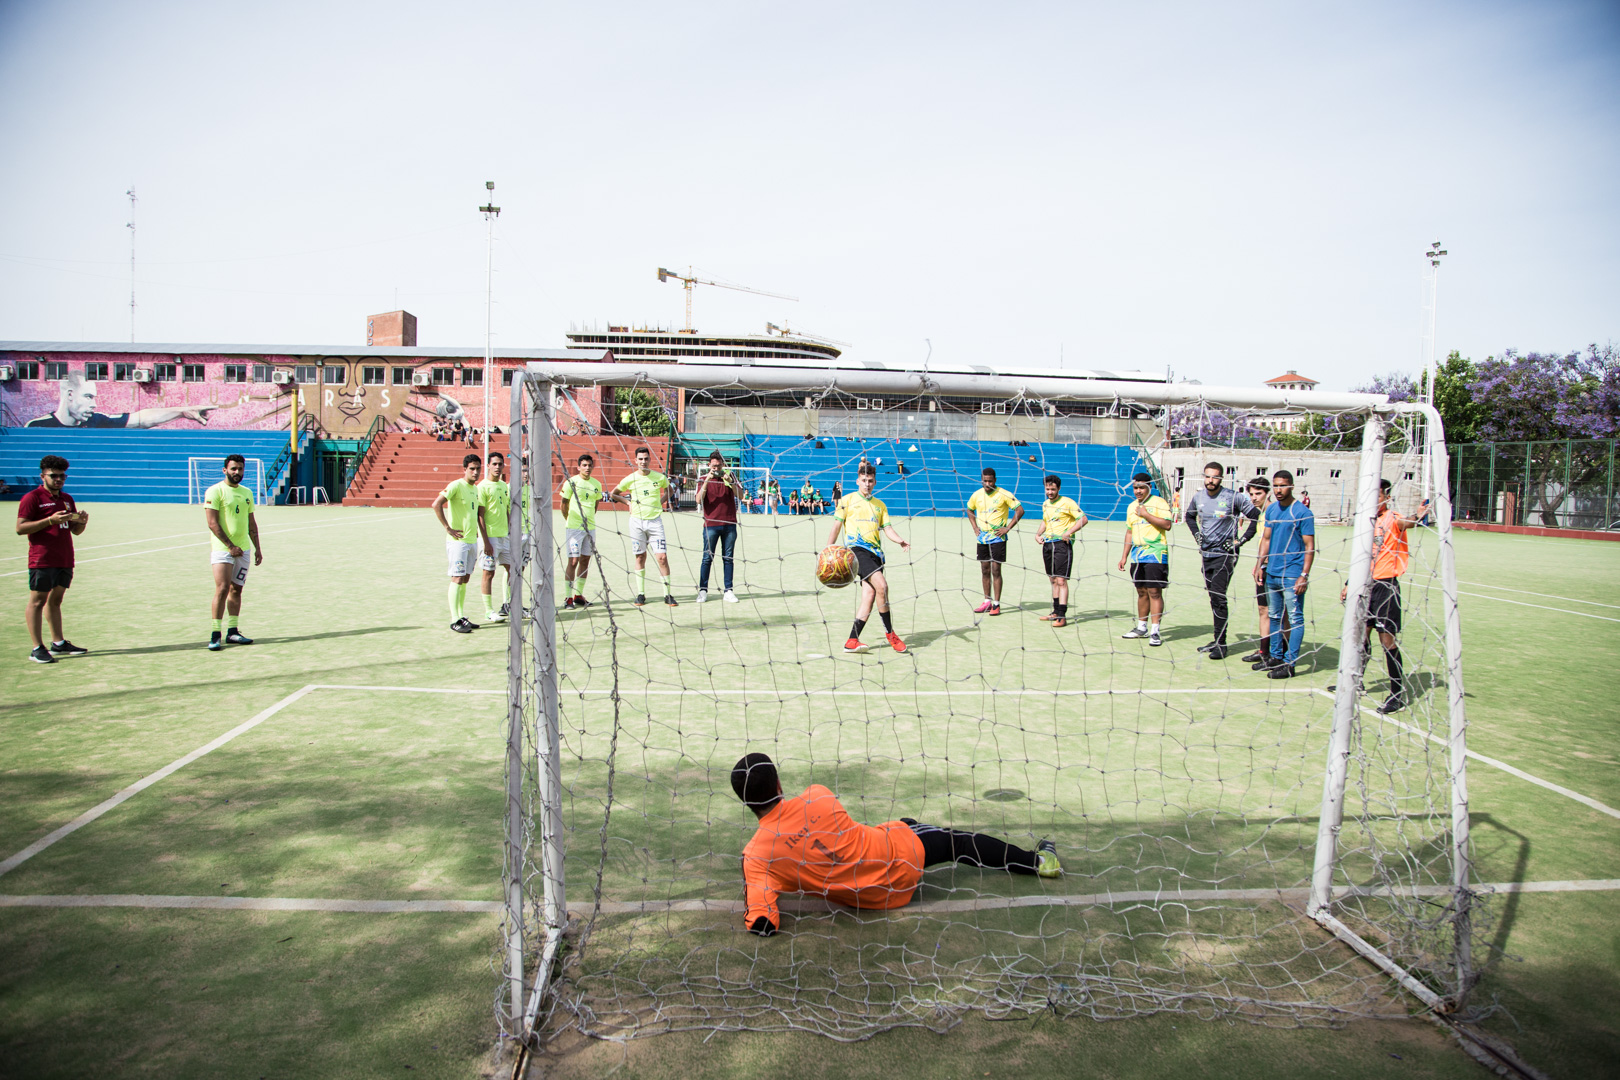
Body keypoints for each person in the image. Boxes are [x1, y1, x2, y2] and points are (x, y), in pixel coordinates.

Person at [731, 752, 1062, 937]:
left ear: (745, 803)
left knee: (903, 824)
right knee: (955, 842)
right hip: (902, 857)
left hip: (875, 900)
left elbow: (762, 920)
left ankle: (908, 827)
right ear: (778, 782)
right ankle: (1039, 862)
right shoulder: (818, 795)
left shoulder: (756, 856)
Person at [1340, 481, 1430, 714]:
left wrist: (1418, 516)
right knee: (1361, 637)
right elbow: (1363, 557)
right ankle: (1356, 681)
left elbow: (1406, 522)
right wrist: (1349, 583)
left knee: (1387, 642)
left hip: (1385, 587)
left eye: (1377, 495)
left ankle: (1397, 694)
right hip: (1364, 585)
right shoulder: (1367, 522)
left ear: (1386, 497)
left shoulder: (1392, 518)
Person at [828, 461, 909, 653]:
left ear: (875, 482)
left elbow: (887, 528)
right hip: (856, 551)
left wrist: (900, 540)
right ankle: (891, 634)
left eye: (870, 481)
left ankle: (852, 640)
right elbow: (837, 526)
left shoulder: (880, 505)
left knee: (870, 595)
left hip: (876, 556)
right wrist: (829, 548)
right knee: (882, 586)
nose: (867, 484)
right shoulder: (846, 500)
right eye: (864, 480)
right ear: (857, 481)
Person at [16, 454, 89, 663]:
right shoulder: (33, 498)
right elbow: (20, 528)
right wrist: (50, 520)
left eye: (62, 476)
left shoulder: (66, 499)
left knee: (56, 601)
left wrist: (82, 522)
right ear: (43, 476)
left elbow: (75, 531)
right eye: (54, 476)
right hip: (42, 558)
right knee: (37, 601)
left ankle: (58, 643)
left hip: (64, 557)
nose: (58, 480)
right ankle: (36, 648)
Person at [1184, 461, 1259, 660]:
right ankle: (1217, 638)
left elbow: (1255, 516)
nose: (1211, 480)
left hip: (1225, 556)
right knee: (1213, 597)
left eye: (1215, 477)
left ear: (1221, 478)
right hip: (1206, 554)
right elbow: (1189, 517)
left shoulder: (1233, 497)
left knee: (1218, 597)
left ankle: (1222, 644)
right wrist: (1197, 536)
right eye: (1208, 476)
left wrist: (1239, 541)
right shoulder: (1198, 497)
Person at [1253, 469, 1315, 678]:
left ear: (1292, 487)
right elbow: (1267, 539)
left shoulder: (1302, 513)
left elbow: (1309, 546)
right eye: (1276, 485)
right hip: (1272, 572)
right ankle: (1275, 656)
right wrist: (1260, 564)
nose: (1279, 490)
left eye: (1283, 485)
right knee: (1274, 615)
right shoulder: (1271, 511)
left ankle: (1290, 663)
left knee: (1295, 618)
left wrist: (1304, 575)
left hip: (1292, 574)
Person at [203, 454, 263, 651]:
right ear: (225, 470)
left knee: (236, 589)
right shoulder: (215, 491)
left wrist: (257, 548)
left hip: (244, 549)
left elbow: (251, 523)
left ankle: (233, 632)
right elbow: (212, 524)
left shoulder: (247, 493)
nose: (237, 472)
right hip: (223, 550)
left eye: (240, 469)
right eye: (233, 469)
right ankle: (215, 634)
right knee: (221, 589)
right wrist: (230, 546)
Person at [26, 373, 215, 428]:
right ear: (69, 395)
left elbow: (142, 419)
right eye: (88, 397)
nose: (93, 404)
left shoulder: (96, 420)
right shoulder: (36, 426)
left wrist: (182, 411)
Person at [615, 446, 677, 607]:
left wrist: (660, 503)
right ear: (635, 461)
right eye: (640, 459)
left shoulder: (659, 477)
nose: (643, 461)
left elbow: (669, 491)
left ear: (650, 460)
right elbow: (614, 493)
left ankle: (667, 594)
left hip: (655, 522)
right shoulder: (630, 478)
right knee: (640, 557)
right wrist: (628, 502)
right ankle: (641, 594)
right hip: (636, 522)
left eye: (646, 458)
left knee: (662, 558)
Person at [1117, 472, 1173, 646]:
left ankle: (1155, 632)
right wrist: (1124, 556)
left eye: (1142, 487)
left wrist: (1146, 514)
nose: (1138, 491)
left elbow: (1167, 525)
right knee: (1141, 591)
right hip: (1137, 555)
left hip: (1156, 553)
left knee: (1154, 592)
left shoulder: (1159, 502)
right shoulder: (1131, 506)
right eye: (1135, 487)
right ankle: (1142, 627)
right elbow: (1129, 532)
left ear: (1149, 487)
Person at [432, 453, 484, 633]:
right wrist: (447, 527)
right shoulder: (456, 485)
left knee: (465, 579)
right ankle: (454, 620)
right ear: (465, 469)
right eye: (472, 469)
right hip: (458, 542)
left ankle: (461, 616)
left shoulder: (475, 489)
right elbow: (436, 504)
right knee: (457, 577)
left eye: (478, 468)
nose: (476, 472)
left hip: (471, 540)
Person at [559, 453, 616, 609]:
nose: (587, 468)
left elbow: (595, 506)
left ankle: (578, 595)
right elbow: (563, 504)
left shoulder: (596, 484)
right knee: (573, 561)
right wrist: (570, 520)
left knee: (585, 560)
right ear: (578, 467)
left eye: (590, 465)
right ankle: (568, 597)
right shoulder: (571, 482)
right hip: (574, 528)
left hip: (590, 528)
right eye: (584, 465)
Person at [965, 467, 1024, 615]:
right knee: (984, 569)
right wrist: (974, 527)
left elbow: (1020, 510)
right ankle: (987, 602)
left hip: (998, 537)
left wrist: (1007, 528)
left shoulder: (1004, 494)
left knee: (995, 569)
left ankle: (996, 604)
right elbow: (969, 510)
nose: (987, 483)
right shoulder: (976, 495)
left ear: (995, 480)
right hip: (982, 537)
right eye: (985, 481)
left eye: (990, 481)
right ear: (982, 480)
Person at [1239, 478, 1283, 667]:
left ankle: (1279, 653)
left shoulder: (1275, 513)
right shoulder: (1261, 514)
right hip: (1264, 568)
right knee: (1263, 609)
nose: (1254, 498)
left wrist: (1263, 563)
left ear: (1268, 493)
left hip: (1277, 569)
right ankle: (1265, 651)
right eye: (1252, 494)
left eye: (1259, 494)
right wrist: (1258, 565)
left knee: (1279, 613)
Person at [1034, 474, 1086, 627]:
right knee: (1052, 579)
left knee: (1061, 580)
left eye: (1053, 489)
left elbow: (1083, 519)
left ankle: (1062, 616)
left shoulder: (1067, 502)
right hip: (1048, 545)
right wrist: (1038, 534)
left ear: (1059, 489)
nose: (1050, 492)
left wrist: (1068, 532)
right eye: (1047, 489)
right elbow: (1045, 521)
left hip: (1062, 545)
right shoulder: (1045, 504)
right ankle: (1055, 612)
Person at [695, 450, 743, 604]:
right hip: (711, 525)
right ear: (709, 465)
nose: (716, 469)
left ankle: (728, 590)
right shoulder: (703, 479)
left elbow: (740, 496)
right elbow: (698, 500)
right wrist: (708, 481)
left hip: (729, 524)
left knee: (728, 558)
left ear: (723, 465)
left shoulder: (730, 477)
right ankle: (703, 590)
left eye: (719, 465)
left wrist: (731, 482)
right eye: (714, 466)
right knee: (707, 558)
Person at [476, 451, 515, 621]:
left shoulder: (503, 486)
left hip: (504, 536)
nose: (498, 467)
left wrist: (510, 532)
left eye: (500, 464)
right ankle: (488, 610)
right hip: (490, 538)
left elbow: (506, 510)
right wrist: (485, 541)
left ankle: (509, 605)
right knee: (488, 573)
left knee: (513, 570)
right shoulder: (482, 487)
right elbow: (480, 515)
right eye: (495, 464)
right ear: (488, 466)